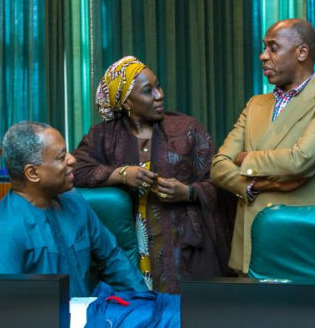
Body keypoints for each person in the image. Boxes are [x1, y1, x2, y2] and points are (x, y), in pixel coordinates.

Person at [72, 56, 231, 294]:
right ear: (126, 102)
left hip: (185, 248)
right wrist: (121, 174)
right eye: (148, 91)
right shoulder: (103, 136)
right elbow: (74, 170)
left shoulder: (187, 129)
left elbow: (221, 182)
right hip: (127, 248)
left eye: (158, 85)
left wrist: (188, 192)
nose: (159, 95)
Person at [210, 18, 315, 274]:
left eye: (273, 48)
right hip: (251, 245)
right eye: (264, 48)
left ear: (302, 52)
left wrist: (246, 159)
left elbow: (300, 160)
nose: (263, 56)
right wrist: (258, 185)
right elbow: (218, 166)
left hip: (302, 244)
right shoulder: (256, 103)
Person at [0, 121, 147, 297]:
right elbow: (1, 308)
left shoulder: (75, 201)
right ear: (32, 173)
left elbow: (113, 258)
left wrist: (146, 305)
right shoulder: (4, 231)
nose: (72, 159)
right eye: (61, 157)